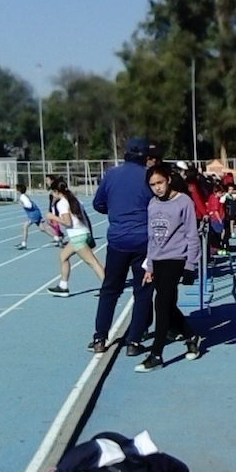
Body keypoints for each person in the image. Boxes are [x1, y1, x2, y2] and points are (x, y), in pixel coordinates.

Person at [90, 137, 157, 355]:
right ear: (146, 157)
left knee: (110, 290)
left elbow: (98, 204)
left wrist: (116, 211)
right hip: (143, 241)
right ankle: (134, 341)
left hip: (117, 240)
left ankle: (100, 337)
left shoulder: (111, 175)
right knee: (143, 291)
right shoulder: (149, 177)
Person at [135, 164, 202, 373]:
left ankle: (156, 354)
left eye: (160, 183)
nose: (157, 188)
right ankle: (191, 335)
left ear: (168, 180)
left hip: (177, 258)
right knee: (168, 305)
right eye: (152, 185)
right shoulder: (152, 205)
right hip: (159, 260)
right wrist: (150, 265)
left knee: (161, 302)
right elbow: (152, 238)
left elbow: (192, 235)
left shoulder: (184, 202)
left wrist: (191, 265)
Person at [46, 179, 105, 297]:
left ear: (57, 191)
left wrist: (53, 217)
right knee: (63, 256)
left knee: (93, 262)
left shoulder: (62, 203)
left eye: (52, 192)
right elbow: (86, 218)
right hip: (83, 233)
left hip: (77, 236)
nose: (52, 194)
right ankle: (63, 286)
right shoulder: (75, 200)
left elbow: (67, 223)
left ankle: (108, 288)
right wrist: (90, 235)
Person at [15, 183, 58, 249]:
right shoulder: (24, 196)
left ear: (19, 190)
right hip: (36, 212)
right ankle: (56, 238)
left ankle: (24, 244)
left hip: (33, 214)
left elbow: (29, 205)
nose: (16, 191)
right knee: (42, 229)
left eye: (17, 189)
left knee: (25, 226)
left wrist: (22, 204)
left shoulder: (22, 197)